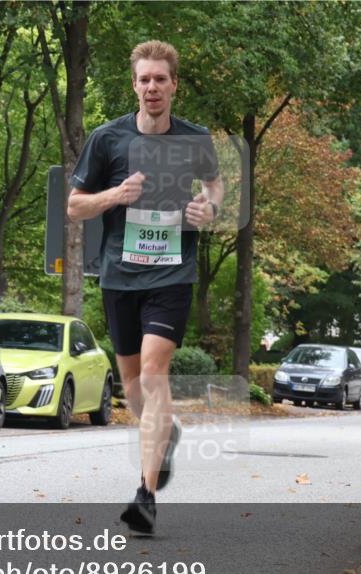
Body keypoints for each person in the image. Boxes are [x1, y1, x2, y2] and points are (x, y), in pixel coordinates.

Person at [66, 40, 224, 534]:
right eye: (144, 79)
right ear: (134, 85)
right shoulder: (107, 139)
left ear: (174, 83)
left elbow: (214, 185)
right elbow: (74, 205)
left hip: (173, 274)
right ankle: (167, 434)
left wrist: (210, 208)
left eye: (161, 78)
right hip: (121, 277)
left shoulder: (196, 139)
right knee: (134, 388)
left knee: (155, 374)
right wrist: (115, 194)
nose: (152, 87)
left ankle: (145, 494)